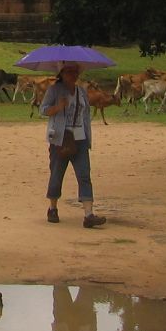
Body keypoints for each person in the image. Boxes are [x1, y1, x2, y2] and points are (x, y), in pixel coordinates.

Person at [40, 62, 105, 228]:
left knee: (84, 175)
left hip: (80, 138)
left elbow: (85, 114)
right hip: (60, 139)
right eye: (69, 71)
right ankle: (52, 208)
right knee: (56, 174)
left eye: (76, 71)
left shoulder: (81, 91)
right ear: (61, 73)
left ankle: (89, 214)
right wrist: (57, 107)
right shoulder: (54, 90)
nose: (73, 74)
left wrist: (88, 138)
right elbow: (43, 110)